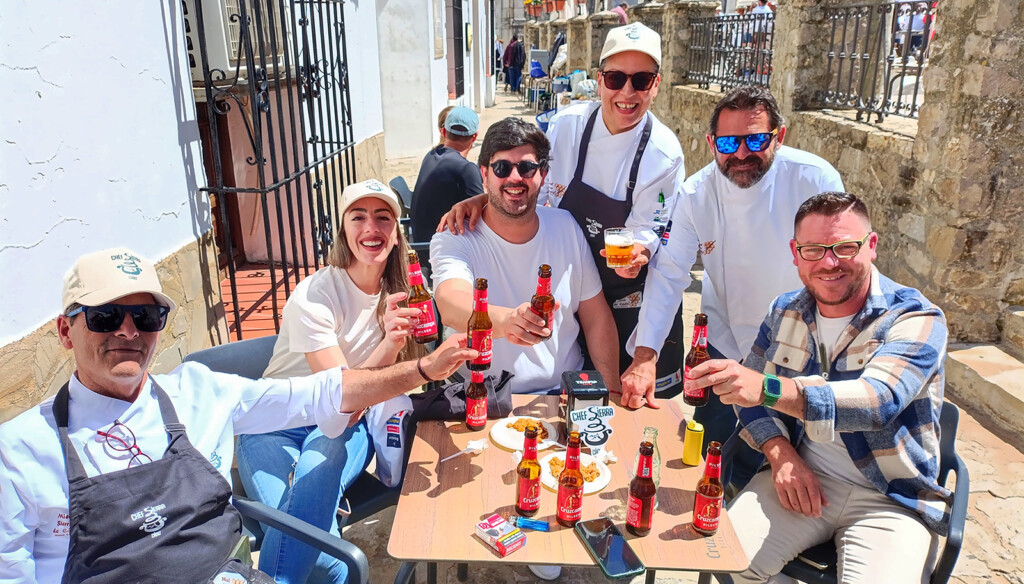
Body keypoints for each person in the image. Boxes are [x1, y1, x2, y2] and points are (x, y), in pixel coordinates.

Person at [0, 248, 475, 583]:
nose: (128, 330)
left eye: (145, 316)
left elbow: (323, 392)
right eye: (105, 316)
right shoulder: (21, 452)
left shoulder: (198, 390)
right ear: (65, 331)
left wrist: (422, 368)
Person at [687, 192, 949, 583]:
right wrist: (781, 453)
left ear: (871, 246)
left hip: (890, 498)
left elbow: (878, 402)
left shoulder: (915, 317)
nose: (828, 263)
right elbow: (749, 401)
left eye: (844, 247)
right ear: (795, 254)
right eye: (813, 250)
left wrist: (769, 389)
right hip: (800, 478)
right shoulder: (784, 310)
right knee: (726, 561)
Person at [441, 23, 686, 404]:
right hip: (568, 285)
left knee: (635, 406)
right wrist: (483, 198)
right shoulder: (568, 126)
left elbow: (670, 264)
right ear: (599, 79)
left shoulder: (663, 155)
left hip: (632, 299)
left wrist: (645, 354)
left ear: (656, 85)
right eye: (615, 77)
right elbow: (523, 177)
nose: (626, 92)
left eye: (640, 80)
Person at [623, 85, 843, 490]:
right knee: (714, 457)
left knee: (799, 464)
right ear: (711, 143)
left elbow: (833, 268)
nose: (741, 154)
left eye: (756, 139)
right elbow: (670, 273)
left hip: (799, 347)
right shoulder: (696, 193)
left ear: (780, 135)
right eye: (727, 142)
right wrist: (645, 356)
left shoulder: (814, 178)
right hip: (727, 344)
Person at [235, 179, 424, 583]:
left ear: (396, 235)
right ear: (343, 230)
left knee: (302, 505)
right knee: (326, 555)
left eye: (383, 218)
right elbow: (340, 395)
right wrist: (389, 345)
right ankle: (329, 521)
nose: (371, 228)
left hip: (346, 426)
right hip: (273, 423)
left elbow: (347, 415)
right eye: (358, 217)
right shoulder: (314, 295)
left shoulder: (403, 292)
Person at [430, 117, 620, 397]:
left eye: (527, 167)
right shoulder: (455, 235)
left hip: (563, 391)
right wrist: (508, 322)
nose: (515, 178)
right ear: (484, 174)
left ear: (542, 174)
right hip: (480, 393)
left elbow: (596, 316)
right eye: (502, 167)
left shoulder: (565, 225)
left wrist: (610, 390)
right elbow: (451, 302)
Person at [411, 107, 483, 242]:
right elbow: (482, 217)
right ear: (474, 137)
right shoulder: (466, 169)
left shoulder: (432, 155)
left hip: (422, 243)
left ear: (444, 132)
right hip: (440, 249)